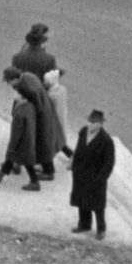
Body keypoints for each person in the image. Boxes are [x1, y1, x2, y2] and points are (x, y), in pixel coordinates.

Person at [0, 72, 40, 189]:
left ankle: (35, 182)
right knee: (20, 158)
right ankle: (0, 174)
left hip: (23, 140)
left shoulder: (19, 113)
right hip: (29, 137)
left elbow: (16, 134)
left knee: (22, 159)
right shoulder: (30, 106)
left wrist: (10, 148)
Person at [70, 109, 115, 238]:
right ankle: (84, 224)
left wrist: (100, 178)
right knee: (81, 200)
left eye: (94, 123)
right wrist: (73, 163)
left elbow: (109, 163)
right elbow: (78, 149)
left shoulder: (106, 140)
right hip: (81, 173)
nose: (91, 125)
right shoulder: (83, 132)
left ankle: (101, 229)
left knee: (97, 204)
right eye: (90, 122)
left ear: (100, 124)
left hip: (95, 176)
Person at [43, 70, 73, 159]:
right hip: (61, 119)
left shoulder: (51, 95)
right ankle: (72, 155)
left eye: (45, 81)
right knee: (58, 140)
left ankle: (47, 167)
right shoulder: (62, 89)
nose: (44, 82)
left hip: (53, 122)